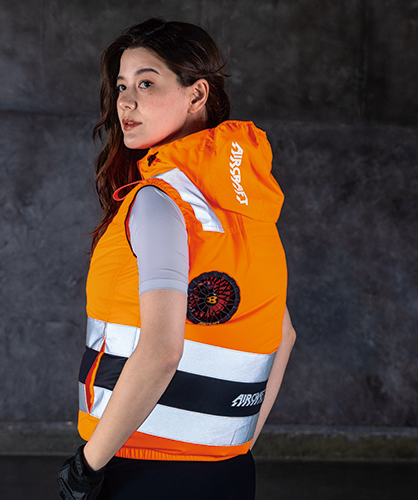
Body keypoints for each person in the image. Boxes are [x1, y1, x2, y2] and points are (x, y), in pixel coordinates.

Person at [58, 17, 296, 500]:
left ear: (196, 94)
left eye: (147, 83)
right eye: (122, 86)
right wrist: (235, 442)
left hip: (141, 467)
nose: (126, 101)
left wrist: (86, 467)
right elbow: (284, 334)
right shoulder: (247, 205)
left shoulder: (160, 199)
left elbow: (163, 349)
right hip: (230, 469)